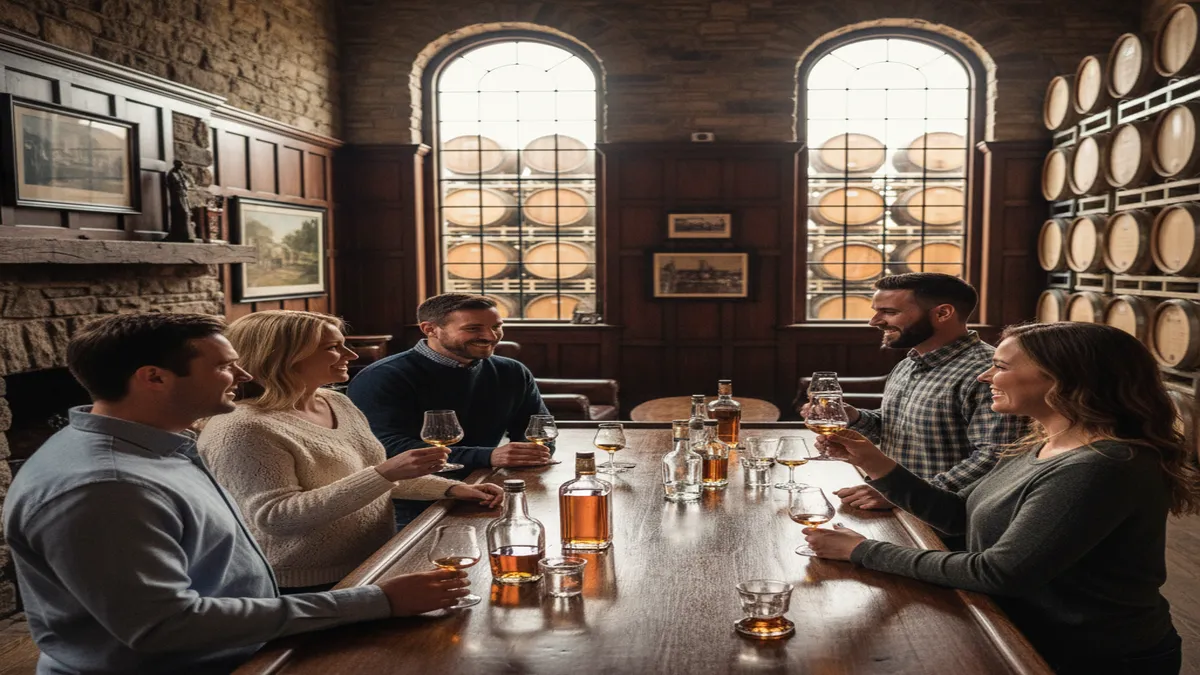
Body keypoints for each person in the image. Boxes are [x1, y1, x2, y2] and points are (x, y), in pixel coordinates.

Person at [2, 313, 471, 674]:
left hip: (249, 647)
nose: (245, 376)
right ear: (154, 378)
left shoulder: (159, 444)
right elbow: (166, 627)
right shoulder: (106, 487)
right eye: (226, 366)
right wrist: (375, 602)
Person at [806, 322, 1197, 675]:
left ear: (1064, 378)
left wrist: (863, 551)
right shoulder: (1046, 442)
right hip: (1027, 634)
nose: (985, 375)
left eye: (1002, 367)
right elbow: (960, 517)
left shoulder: (1103, 465)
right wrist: (874, 461)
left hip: (1093, 655)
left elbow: (1001, 572)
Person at [198, 310, 504, 594]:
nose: (351, 355)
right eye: (333, 347)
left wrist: (454, 488)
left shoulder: (335, 402)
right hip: (302, 585)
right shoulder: (241, 427)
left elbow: (373, 477)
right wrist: (385, 472)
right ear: (284, 356)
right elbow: (275, 518)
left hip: (374, 562)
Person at [805, 273, 1025, 510]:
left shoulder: (986, 373)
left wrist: (901, 492)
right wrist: (854, 417)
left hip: (947, 520)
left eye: (889, 312)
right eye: (876, 311)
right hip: (898, 506)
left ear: (942, 314)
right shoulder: (909, 362)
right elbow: (895, 428)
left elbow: (996, 458)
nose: (874, 321)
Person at [349, 293, 552, 527]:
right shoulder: (382, 377)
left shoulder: (512, 371)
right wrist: (487, 455)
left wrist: (532, 452)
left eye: (497, 326)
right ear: (430, 329)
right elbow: (386, 448)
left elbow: (538, 430)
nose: (490, 336)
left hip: (490, 489)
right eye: (474, 328)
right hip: (414, 501)